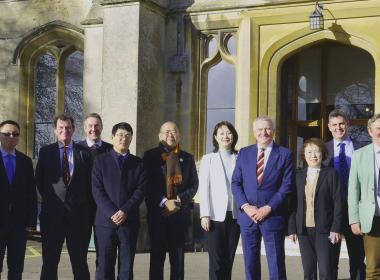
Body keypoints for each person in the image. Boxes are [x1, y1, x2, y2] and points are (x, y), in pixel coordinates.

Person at [231, 115, 294, 280]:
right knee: (250, 263)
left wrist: (268, 207)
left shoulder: (285, 154)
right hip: (248, 217)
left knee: (276, 263)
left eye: (267, 129)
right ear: (254, 132)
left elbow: (286, 186)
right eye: (260, 129)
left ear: (273, 131)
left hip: (272, 216)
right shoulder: (244, 153)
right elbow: (236, 183)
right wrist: (246, 206)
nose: (263, 133)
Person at [36, 114, 92, 280]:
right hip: (52, 216)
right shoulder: (45, 152)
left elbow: (90, 184)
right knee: (50, 263)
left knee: (80, 262)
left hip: (78, 217)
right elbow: (40, 181)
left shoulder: (85, 153)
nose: (64, 131)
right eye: (60, 128)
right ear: (55, 130)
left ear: (73, 130)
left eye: (68, 127)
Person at [143, 121, 198, 280]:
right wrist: (164, 201)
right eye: (166, 132)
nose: (170, 134)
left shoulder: (187, 158)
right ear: (159, 136)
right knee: (156, 260)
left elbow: (194, 184)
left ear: (179, 136)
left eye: (174, 131)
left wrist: (180, 199)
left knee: (178, 261)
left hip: (180, 216)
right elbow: (147, 183)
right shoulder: (150, 156)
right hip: (158, 214)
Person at [92, 122, 147, 280]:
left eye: (128, 135)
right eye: (120, 135)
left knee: (126, 268)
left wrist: (125, 211)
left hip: (129, 222)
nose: (124, 138)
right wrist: (113, 213)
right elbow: (97, 190)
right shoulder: (100, 161)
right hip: (105, 222)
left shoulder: (139, 163)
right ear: (112, 137)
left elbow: (140, 191)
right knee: (104, 266)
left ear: (131, 139)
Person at [288, 138, 343, 280]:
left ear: (323, 154)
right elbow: (292, 204)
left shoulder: (331, 173)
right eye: (309, 152)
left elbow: (338, 202)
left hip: (325, 230)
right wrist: (292, 228)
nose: (313, 155)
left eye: (317, 151)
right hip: (303, 230)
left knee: (326, 271)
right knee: (309, 271)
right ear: (304, 155)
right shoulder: (298, 176)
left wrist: (336, 227)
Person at [324, 109, 366, 280]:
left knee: (357, 258)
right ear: (329, 127)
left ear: (348, 124)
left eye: (341, 123)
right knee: (330, 259)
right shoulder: (322, 149)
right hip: (331, 212)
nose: (338, 128)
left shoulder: (362, 147)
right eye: (334, 125)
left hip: (356, 210)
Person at [199, 121, 240, 280]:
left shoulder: (240, 157)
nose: (225, 136)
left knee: (229, 260)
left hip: (235, 215)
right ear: (215, 137)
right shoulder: (209, 159)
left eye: (228, 132)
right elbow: (204, 188)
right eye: (221, 133)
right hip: (215, 217)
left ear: (234, 136)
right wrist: (204, 214)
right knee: (216, 261)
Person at [0, 120, 37, 280]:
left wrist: (31, 222)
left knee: (16, 269)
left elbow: (31, 194)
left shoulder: (25, 161)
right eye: (6, 133)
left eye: (15, 134)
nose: (11, 137)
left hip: (18, 225)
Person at [78, 113, 113, 264]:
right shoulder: (76, 148)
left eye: (97, 125)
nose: (94, 129)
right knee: (79, 253)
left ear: (102, 127)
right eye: (90, 126)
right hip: (82, 207)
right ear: (85, 128)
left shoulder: (111, 149)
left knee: (104, 253)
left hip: (103, 208)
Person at [348, 113, 380, 279]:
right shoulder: (359, 155)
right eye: (378, 129)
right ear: (370, 131)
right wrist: (354, 219)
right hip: (372, 218)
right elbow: (353, 190)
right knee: (373, 269)